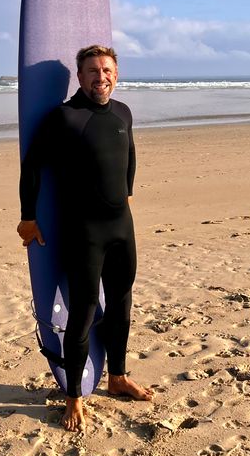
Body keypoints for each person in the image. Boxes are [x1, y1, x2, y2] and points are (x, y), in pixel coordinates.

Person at [18, 45, 154, 430]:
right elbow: (32, 169)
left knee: (123, 302)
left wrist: (126, 192)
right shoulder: (64, 117)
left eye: (107, 70)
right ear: (79, 77)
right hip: (83, 232)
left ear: (116, 73)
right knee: (85, 309)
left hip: (121, 227)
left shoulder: (123, 113)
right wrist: (28, 218)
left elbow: (129, 154)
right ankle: (74, 396)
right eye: (92, 70)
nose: (101, 77)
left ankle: (118, 376)